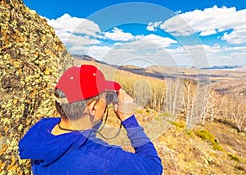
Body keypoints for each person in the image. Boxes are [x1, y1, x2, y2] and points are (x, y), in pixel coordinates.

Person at [19, 65, 163, 175]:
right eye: (105, 98)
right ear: (92, 107)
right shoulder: (102, 159)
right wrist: (128, 119)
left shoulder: (42, 130)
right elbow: (154, 167)